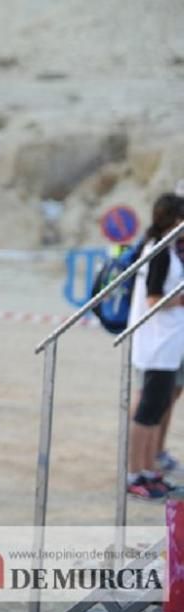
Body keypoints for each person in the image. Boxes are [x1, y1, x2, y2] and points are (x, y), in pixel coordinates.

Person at [126, 193, 184, 500]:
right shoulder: (160, 251)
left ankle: (149, 470)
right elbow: (153, 299)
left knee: (156, 409)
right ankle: (135, 473)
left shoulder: (166, 250)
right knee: (146, 414)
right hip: (156, 345)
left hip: (167, 345)